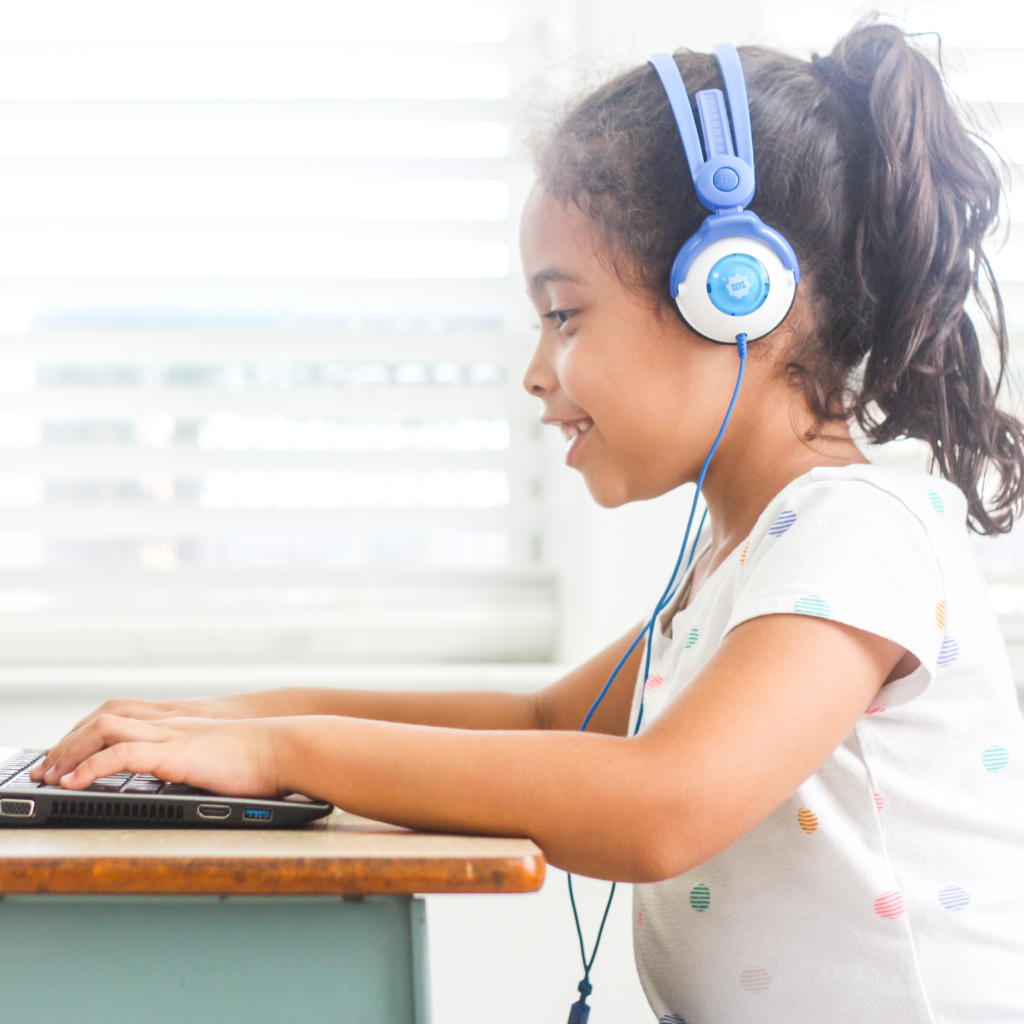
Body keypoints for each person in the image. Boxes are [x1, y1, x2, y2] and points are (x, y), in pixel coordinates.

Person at [33, 21, 1024, 1023]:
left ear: (734, 295)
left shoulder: (857, 528)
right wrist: (230, 724)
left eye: (565, 315)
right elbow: (550, 723)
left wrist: (282, 754)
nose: (536, 371)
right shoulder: (743, 558)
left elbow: (660, 803)